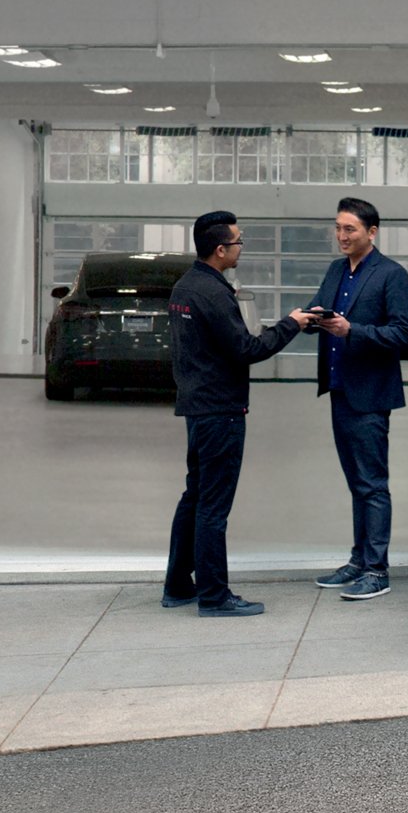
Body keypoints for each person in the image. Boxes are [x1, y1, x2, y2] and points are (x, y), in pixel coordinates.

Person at [162, 210, 300, 617]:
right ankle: (214, 596)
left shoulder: (185, 287)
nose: (242, 247)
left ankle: (177, 584)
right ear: (220, 249)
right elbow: (247, 349)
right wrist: (291, 324)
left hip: (197, 408)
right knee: (213, 506)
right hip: (220, 411)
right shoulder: (213, 293)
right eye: (239, 241)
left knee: (195, 496)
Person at [292, 196, 408, 602]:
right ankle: (358, 560)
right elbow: (323, 312)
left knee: (372, 484)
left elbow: (400, 334)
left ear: (372, 232)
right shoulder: (335, 271)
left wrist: (353, 331)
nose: (342, 236)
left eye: (350, 229)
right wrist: (311, 319)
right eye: (338, 228)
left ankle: (377, 570)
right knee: (356, 483)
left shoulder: (391, 275)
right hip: (339, 389)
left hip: (369, 394)